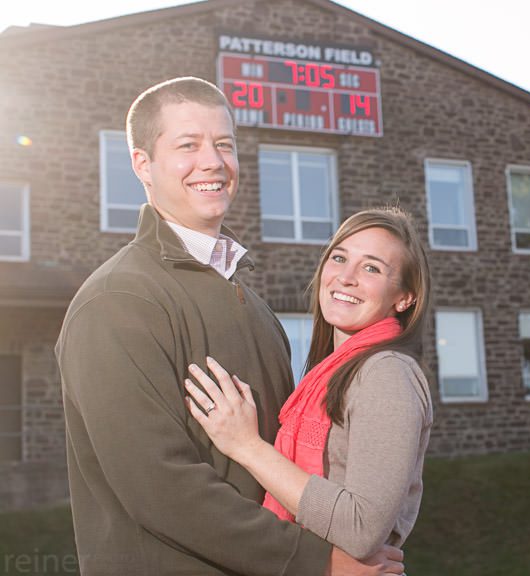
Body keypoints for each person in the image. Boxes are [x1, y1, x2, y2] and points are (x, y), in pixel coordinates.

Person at [56, 76, 404, 576]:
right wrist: (319, 562)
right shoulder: (118, 301)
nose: (213, 162)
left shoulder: (256, 308)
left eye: (224, 145)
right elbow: (160, 487)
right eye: (187, 145)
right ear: (142, 165)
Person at [184, 207, 434, 561]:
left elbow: (360, 529)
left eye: (372, 268)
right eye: (339, 258)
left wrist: (246, 445)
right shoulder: (331, 373)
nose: (346, 277)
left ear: (404, 297)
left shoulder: (387, 373)